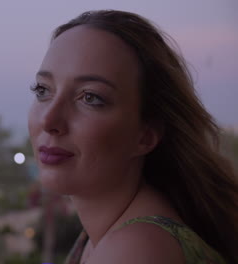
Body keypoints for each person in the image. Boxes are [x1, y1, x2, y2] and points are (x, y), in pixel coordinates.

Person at [27, 10, 237, 264]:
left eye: (90, 97)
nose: (49, 121)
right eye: (43, 90)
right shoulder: (108, 235)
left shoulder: (137, 249)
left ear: (145, 136)